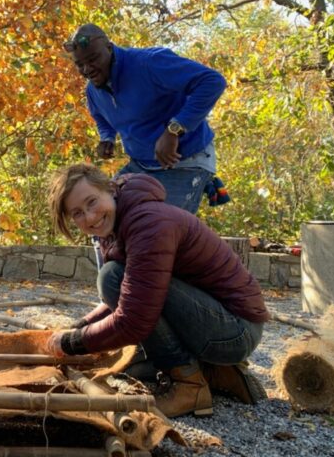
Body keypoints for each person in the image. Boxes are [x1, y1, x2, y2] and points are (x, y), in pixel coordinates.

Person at [45, 163, 268, 418]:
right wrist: (79, 326)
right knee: (135, 367)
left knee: (110, 277)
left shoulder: (147, 223)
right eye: (77, 213)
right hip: (221, 323)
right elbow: (134, 291)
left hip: (235, 332)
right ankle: (215, 370)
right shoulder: (119, 222)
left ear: (111, 189)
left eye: (92, 202)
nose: (90, 217)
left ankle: (190, 386)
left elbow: (134, 319)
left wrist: (73, 342)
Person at [64, 23, 227, 214]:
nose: (87, 69)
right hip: (140, 165)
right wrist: (107, 137)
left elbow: (212, 81)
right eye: (79, 64)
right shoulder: (93, 90)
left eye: (93, 59)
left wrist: (174, 129)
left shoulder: (148, 63)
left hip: (187, 162)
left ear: (109, 48)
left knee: (154, 224)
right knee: (104, 212)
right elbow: (101, 117)